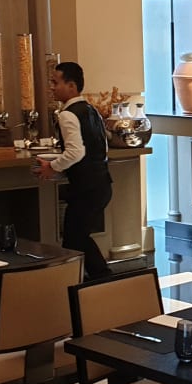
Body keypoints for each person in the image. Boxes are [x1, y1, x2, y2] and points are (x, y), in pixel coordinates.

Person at [34, 61, 112, 278]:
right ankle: (90, 279)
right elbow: (101, 146)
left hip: (86, 188)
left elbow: (76, 152)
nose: (52, 87)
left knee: (74, 238)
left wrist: (52, 166)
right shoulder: (91, 110)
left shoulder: (67, 114)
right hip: (102, 183)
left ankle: (101, 277)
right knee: (76, 237)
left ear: (71, 86)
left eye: (55, 82)